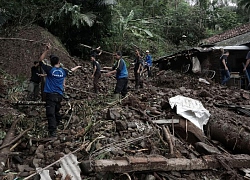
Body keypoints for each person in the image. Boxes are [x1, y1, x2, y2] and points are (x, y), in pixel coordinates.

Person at [39, 43, 69, 138]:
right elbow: (71, 71)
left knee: (50, 113)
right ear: (59, 62)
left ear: (50, 63)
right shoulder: (63, 71)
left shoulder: (49, 70)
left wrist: (47, 50)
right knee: (56, 110)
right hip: (59, 95)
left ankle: (53, 131)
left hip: (51, 95)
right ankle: (59, 121)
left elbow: (40, 60)